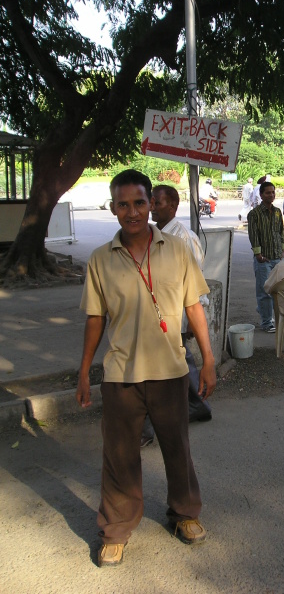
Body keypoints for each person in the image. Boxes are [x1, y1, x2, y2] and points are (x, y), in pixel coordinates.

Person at [76, 169, 216, 567]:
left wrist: (207, 360)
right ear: (113, 208)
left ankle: (185, 514)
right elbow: (94, 318)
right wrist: (85, 370)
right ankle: (116, 530)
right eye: (124, 204)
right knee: (119, 456)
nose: (133, 212)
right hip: (121, 374)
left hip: (171, 371)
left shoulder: (177, 249)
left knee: (177, 448)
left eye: (140, 203)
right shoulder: (101, 259)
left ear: (151, 203)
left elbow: (193, 307)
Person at [141, 185, 212, 448]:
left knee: (155, 369)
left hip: (175, 316)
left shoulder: (183, 238)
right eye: (151, 202)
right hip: (154, 316)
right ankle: (197, 406)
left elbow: (194, 285)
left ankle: (146, 428)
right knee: (183, 361)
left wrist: (192, 322)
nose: (152, 207)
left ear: (172, 206)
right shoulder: (151, 234)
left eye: (157, 202)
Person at [247, 181, 284, 333]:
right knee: (264, 292)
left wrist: (282, 250)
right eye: (268, 193)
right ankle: (266, 322)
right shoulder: (254, 214)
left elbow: (281, 232)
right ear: (261, 195)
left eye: (273, 192)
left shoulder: (277, 212)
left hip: (276, 257)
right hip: (264, 260)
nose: (271, 195)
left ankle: (264, 312)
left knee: (276, 291)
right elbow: (253, 235)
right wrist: (258, 254)